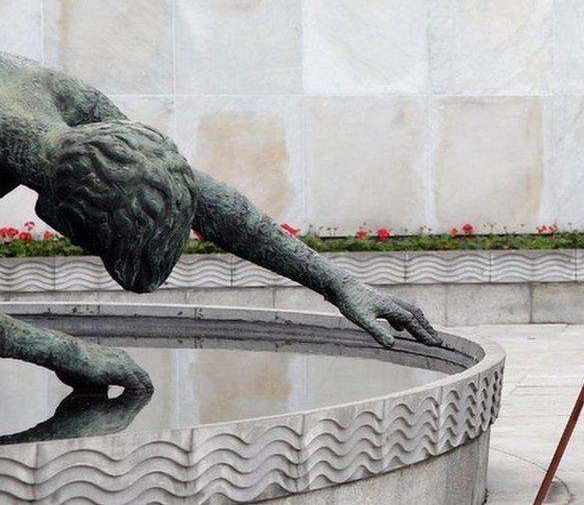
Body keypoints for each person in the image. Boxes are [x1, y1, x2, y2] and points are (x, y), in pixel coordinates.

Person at [0, 52, 441, 393]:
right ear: (62, 218)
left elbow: (216, 206)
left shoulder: (70, 103)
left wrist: (337, 282)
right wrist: (66, 352)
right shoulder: (63, 120)